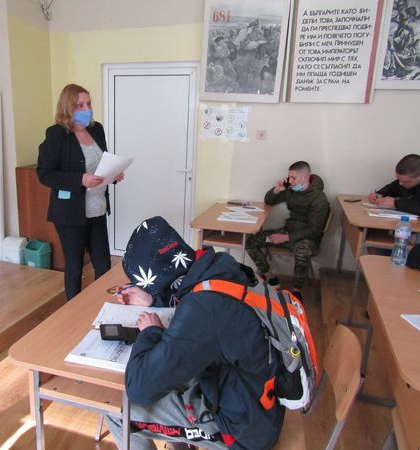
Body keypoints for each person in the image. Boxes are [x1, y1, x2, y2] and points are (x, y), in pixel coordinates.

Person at [105, 216, 284, 450]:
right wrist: (153, 299)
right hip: (257, 399)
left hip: (242, 428)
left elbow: (139, 388)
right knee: (169, 374)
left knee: (116, 410)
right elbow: (190, 296)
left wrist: (150, 331)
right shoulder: (219, 266)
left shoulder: (202, 309)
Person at [37, 84, 123, 300]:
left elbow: (102, 163)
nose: (87, 109)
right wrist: (80, 179)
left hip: (97, 209)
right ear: (68, 107)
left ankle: (100, 306)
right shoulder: (57, 134)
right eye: (80, 105)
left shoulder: (96, 129)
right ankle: (72, 310)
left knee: (103, 264)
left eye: (88, 104)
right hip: (70, 214)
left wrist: (113, 174)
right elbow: (45, 174)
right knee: (75, 267)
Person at [245, 161, 330, 301]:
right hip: (287, 232)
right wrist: (276, 190)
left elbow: (315, 230)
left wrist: (287, 237)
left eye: (293, 178)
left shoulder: (319, 199)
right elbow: (269, 201)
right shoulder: (291, 190)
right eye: (289, 177)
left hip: (306, 238)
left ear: (305, 177)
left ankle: (296, 292)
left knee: (302, 252)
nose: (290, 181)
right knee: (251, 242)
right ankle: (271, 277)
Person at [368, 154, 420, 258]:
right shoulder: (408, 179)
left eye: (405, 181)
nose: (400, 183)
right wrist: (379, 194)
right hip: (418, 228)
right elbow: (392, 188)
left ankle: (399, 264)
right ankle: (385, 265)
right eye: (399, 180)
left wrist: (397, 202)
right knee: (375, 235)